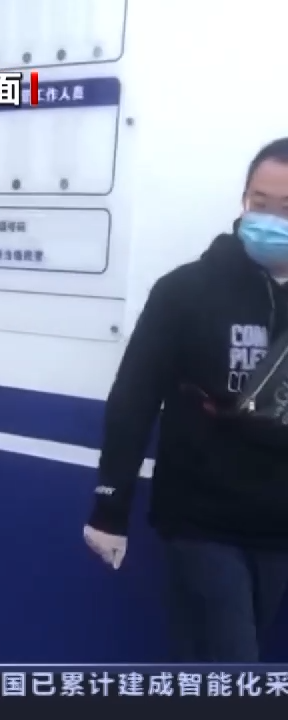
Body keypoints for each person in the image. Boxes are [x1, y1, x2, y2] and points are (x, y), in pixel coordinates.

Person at [84, 138, 288, 662]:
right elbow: (133, 398)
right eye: (260, 203)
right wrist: (109, 508)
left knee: (214, 665)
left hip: (277, 527)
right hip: (201, 522)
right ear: (243, 199)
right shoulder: (185, 291)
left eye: (286, 209)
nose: (270, 220)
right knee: (232, 666)